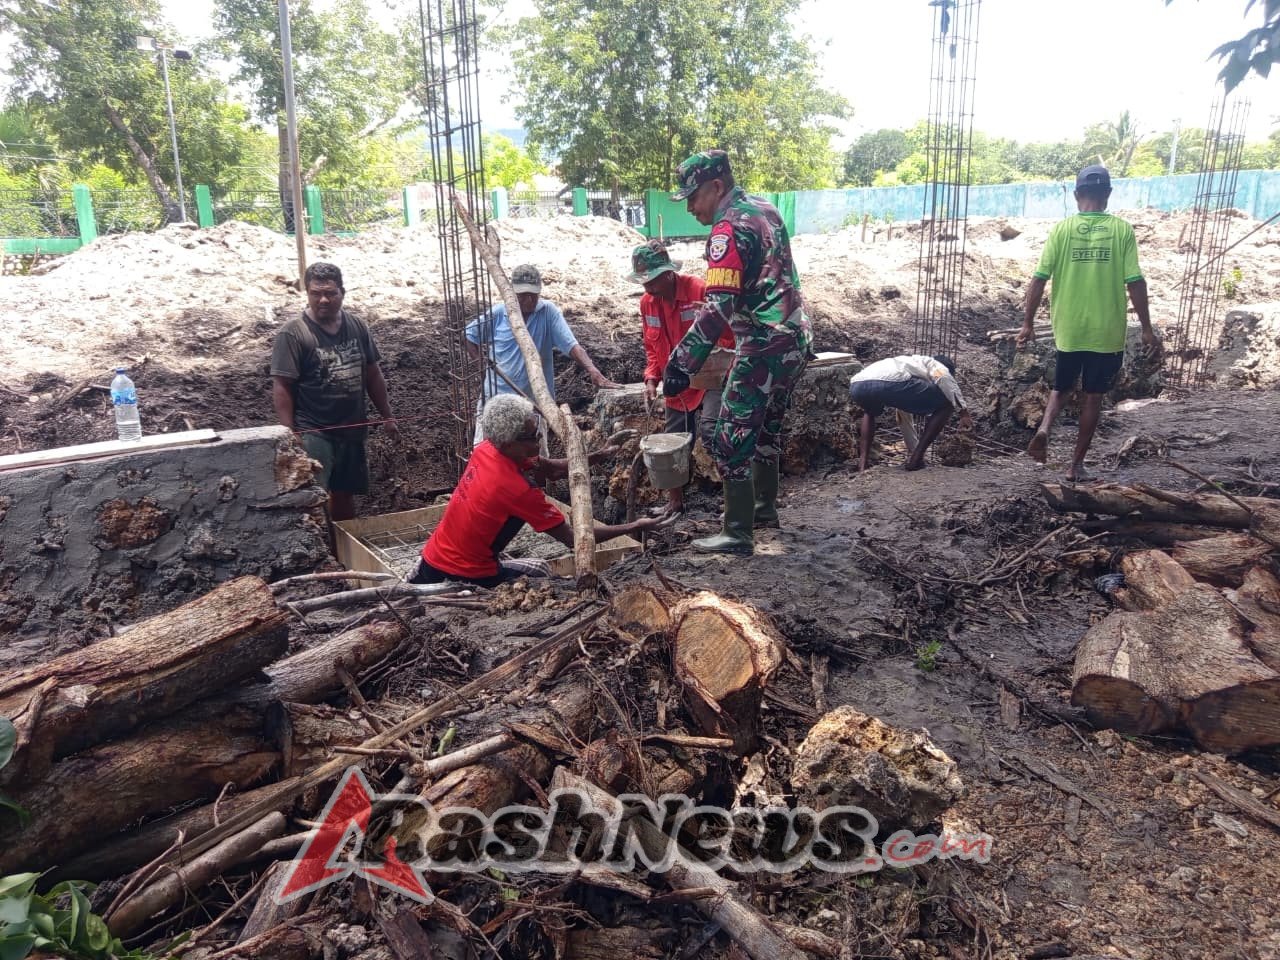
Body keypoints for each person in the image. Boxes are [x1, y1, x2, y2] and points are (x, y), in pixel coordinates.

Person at [662, 149, 812, 555]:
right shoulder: (764, 208)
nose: (690, 206)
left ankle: (737, 531)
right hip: (795, 339)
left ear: (717, 186)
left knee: (730, 436)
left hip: (764, 343)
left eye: (693, 197)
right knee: (766, 429)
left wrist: (682, 363)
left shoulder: (727, 230)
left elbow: (718, 306)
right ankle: (764, 510)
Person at [409, 395, 669, 587]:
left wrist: (602, 454)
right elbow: (575, 538)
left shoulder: (487, 450)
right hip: (465, 574)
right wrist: (634, 526)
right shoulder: (516, 489)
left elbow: (552, 469)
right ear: (509, 443)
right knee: (543, 573)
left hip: (433, 557)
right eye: (533, 438)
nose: (540, 441)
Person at [1018, 164, 1159, 482]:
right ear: (1107, 195)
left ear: (1077, 194)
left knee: (1061, 387)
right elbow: (1135, 282)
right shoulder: (1122, 230)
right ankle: (1075, 466)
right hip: (1105, 330)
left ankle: (1044, 428)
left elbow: (1038, 279)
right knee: (1093, 397)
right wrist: (1147, 329)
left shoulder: (1061, 230)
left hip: (1069, 327)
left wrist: (1027, 323)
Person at [271, 261, 400, 522]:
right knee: (315, 495)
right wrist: (290, 432)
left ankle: (346, 549)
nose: (323, 300)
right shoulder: (293, 334)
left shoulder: (357, 326)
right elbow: (282, 386)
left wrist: (387, 415)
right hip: (315, 430)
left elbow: (372, 374)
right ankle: (324, 552)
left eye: (330, 293)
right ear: (307, 293)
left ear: (342, 292)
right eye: (316, 293)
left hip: (352, 428)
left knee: (344, 493)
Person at [629, 239, 735, 516]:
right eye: (643, 282)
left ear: (667, 274)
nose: (647, 287)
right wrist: (652, 378)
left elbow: (729, 337)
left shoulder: (698, 290)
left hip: (712, 376)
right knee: (671, 442)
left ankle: (734, 501)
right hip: (677, 383)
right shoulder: (647, 303)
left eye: (651, 280)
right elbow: (652, 347)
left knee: (714, 431)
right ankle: (675, 503)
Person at [465, 263, 619, 448]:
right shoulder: (499, 313)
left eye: (533, 295)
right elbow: (469, 335)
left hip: (533, 403)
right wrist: (482, 366)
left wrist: (592, 370)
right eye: (523, 295)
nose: (529, 300)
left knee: (534, 457)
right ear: (513, 293)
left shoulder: (548, 312)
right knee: (488, 454)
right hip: (497, 400)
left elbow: (572, 345)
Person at [849, 354, 973, 472]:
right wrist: (964, 413)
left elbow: (904, 413)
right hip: (889, 383)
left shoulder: (907, 364)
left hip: (857, 386)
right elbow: (944, 378)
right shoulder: (935, 365)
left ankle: (863, 464)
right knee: (948, 402)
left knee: (869, 412)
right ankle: (916, 458)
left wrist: (912, 446)